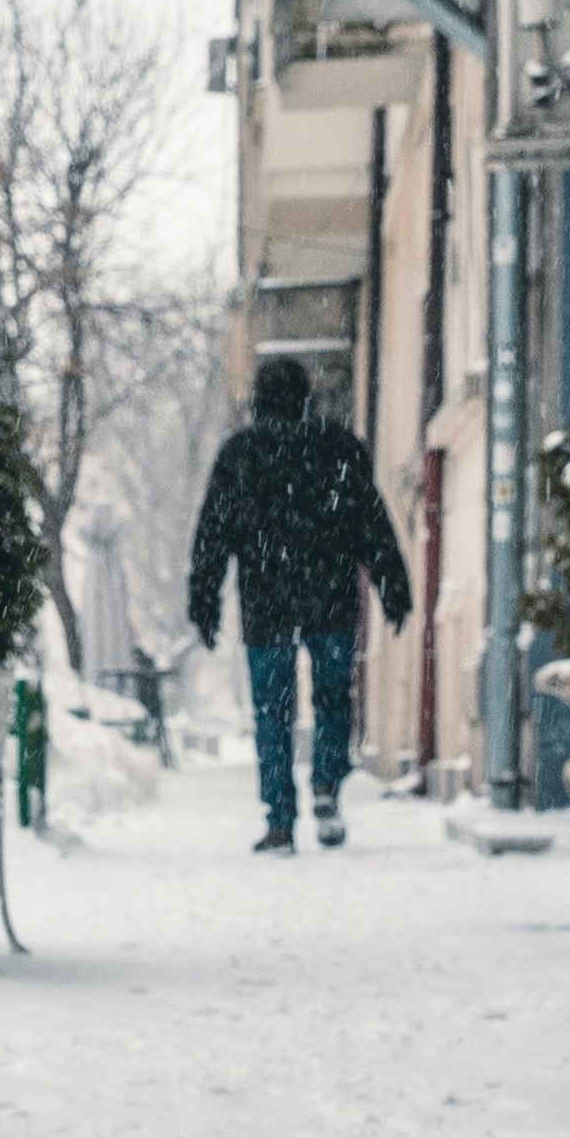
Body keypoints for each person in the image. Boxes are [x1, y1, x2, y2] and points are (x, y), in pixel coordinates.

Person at [185, 360, 415, 852]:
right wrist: (391, 583)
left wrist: (203, 600)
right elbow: (371, 522)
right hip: (328, 595)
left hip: (266, 603)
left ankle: (280, 819)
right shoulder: (338, 448)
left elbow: (212, 536)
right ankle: (328, 783)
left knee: (273, 712)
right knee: (334, 699)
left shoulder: (241, 454)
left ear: (258, 399)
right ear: (306, 397)